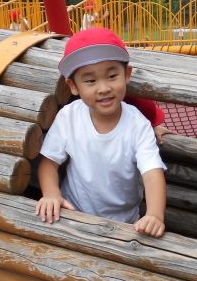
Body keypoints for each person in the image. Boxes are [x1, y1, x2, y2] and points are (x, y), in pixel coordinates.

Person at [36, 28, 167, 238]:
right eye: (90, 81)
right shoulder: (69, 117)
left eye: (112, 76)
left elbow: (152, 172)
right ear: (73, 86)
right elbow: (48, 162)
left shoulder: (137, 125)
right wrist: (52, 194)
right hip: (73, 214)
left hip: (126, 222)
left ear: (127, 75)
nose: (103, 88)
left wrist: (154, 215)